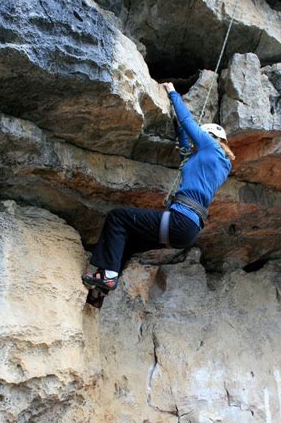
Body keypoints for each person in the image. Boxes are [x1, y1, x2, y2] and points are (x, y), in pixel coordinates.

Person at [82, 82, 235, 293]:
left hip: (180, 220)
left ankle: (108, 276)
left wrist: (173, 94)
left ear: (210, 138)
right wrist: (178, 129)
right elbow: (185, 153)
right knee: (129, 241)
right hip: (187, 231)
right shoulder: (220, 165)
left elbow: (188, 121)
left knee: (117, 218)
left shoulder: (210, 146)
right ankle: (100, 292)